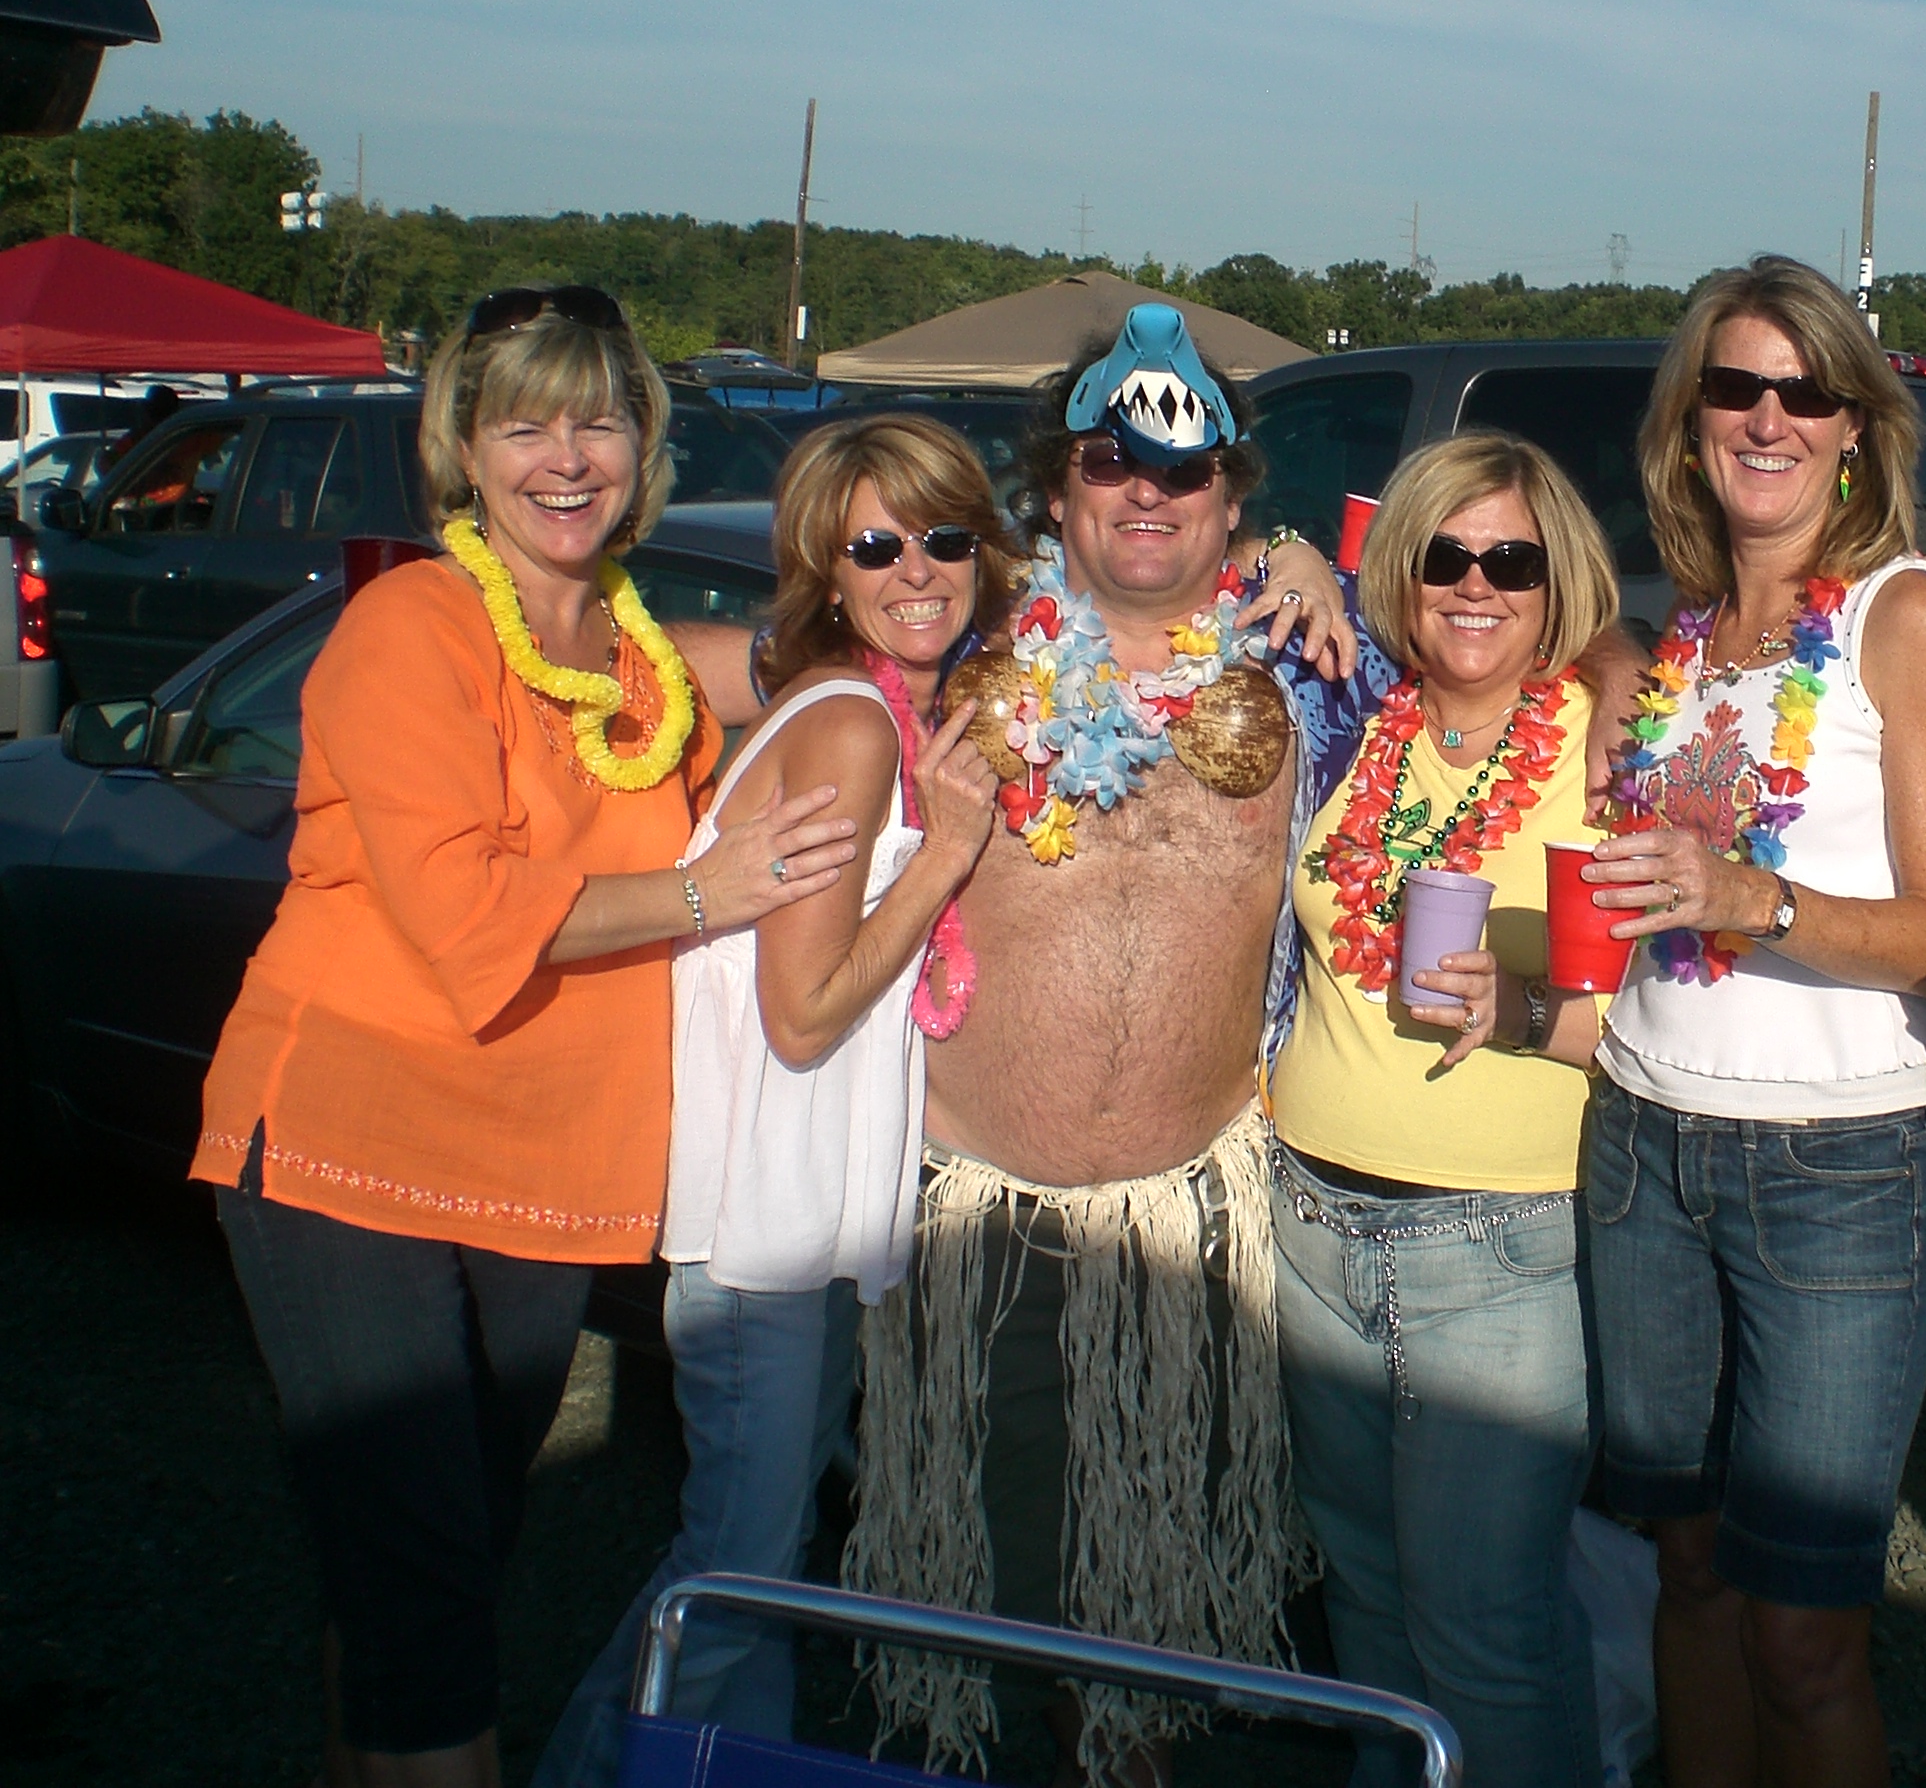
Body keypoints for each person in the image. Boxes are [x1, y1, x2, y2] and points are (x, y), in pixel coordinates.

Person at [191, 284, 856, 1788]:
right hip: (352, 1152)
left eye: (599, 422)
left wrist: (1253, 567)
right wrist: (712, 891)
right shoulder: (407, 628)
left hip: (540, 1174)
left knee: (434, 1567)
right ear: (464, 450)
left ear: (644, 447)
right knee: (425, 1584)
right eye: (525, 426)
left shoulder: (635, 656)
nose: (567, 458)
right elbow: (464, 906)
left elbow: (783, 660)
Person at [841, 303, 1373, 1787]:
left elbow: (1549, 660)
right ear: (1056, 487)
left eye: (1187, 470)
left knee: (1143, 1643)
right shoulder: (951, 661)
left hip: (1200, 1229)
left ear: (1233, 497)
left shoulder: (1320, 672)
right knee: (995, 1611)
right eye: (1110, 462)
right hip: (979, 1228)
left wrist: (1313, 564)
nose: (1149, 491)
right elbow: (764, 648)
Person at [533, 415, 1021, 1784]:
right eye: (875, 544)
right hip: (763, 1231)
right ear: (825, 568)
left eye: (945, 537)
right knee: (730, 1576)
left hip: (803, 1226)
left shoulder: (872, 712)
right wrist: (948, 856)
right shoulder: (851, 727)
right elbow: (802, 1016)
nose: (916, 569)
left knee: (765, 1565)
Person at [1579, 255, 1926, 1788]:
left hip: (1833, 1172)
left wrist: (1747, 897)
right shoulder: (1685, 637)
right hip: (1642, 1144)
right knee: (1688, 1576)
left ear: (1854, 426)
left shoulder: (1912, 617)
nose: (1768, 417)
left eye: (1804, 391)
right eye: (1735, 387)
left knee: (1806, 1636)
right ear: (1689, 420)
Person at [1268, 432, 1623, 1788]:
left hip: (1499, 1249)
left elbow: (1673, 1024)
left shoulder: (1609, 748)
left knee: (1486, 1629)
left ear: (1557, 581)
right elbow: (1194, 554)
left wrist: (1524, 1011)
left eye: (1512, 562)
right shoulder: (1357, 715)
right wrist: (1285, 547)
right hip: (1310, 1221)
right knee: (1364, 1604)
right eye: (1445, 556)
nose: (1477, 586)